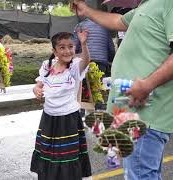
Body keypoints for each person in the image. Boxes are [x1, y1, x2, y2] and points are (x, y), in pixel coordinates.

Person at [73, 0, 173, 179]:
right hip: (133, 114)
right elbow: (118, 21)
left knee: (141, 175)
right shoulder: (145, 6)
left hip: (146, 115)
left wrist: (147, 84)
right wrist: (86, 10)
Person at [31, 31, 92, 180]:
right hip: (49, 118)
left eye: (71, 46)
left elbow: (86, 61)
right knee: (48, 150)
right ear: (54, 51)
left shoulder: (74, 67)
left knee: (66, 154)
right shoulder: (47, 66)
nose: (67, 51)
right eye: (62, 47)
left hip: (68, 118)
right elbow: (39, 85)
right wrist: (37, 90)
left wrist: (84, 44)